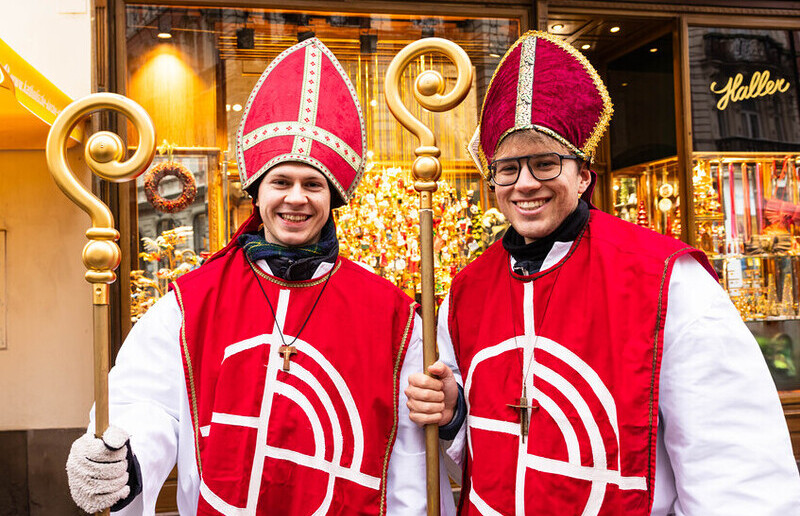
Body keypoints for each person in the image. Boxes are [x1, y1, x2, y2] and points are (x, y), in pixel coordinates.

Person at [406, 30, 800, 515]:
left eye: (545, 163)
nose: (525, 183)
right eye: (507, 168)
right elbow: (475, 452)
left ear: (584, 175)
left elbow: (736, 469)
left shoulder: (665, 281)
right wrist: (452, 413)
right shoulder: (468, 291)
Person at [66, 38, 454, 515]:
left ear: (333, 198)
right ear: (256, 192)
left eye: (313, 184)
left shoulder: (392, 316)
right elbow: (149, 403)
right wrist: (121, 459)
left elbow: (409, 455)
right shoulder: (194, 301)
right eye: (281, 182)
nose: (296, 198)